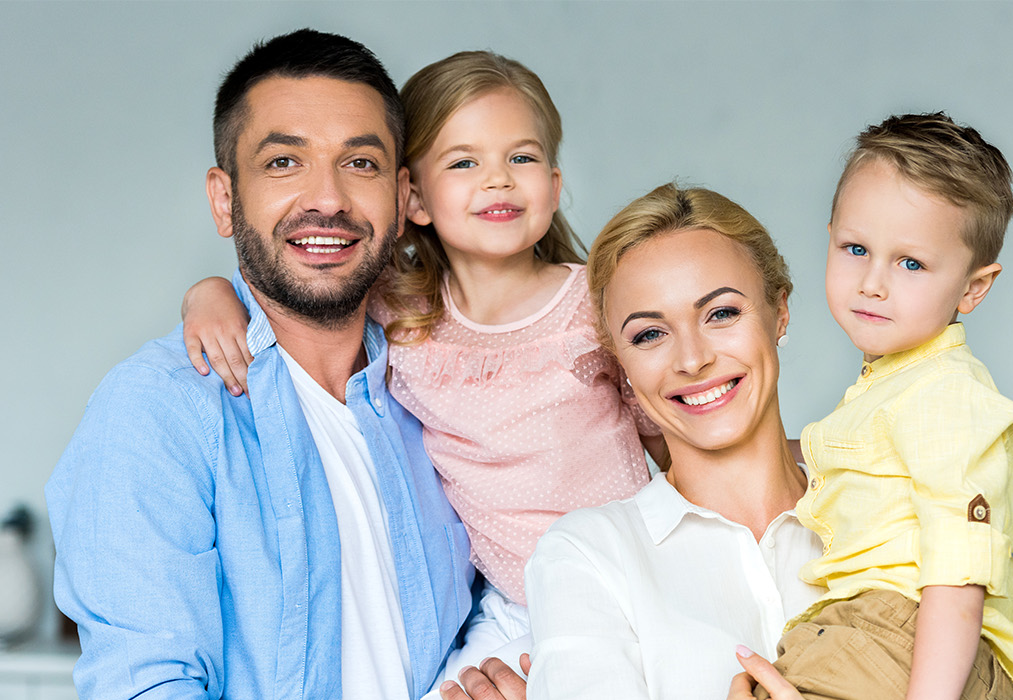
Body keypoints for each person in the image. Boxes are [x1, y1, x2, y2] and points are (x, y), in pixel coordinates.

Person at [178, 51, 666, 691]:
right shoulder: (401, 312)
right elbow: (299, 284)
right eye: (465, 163)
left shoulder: (597, 304)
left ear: (553, 182)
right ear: (413, 198)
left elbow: (672, 439)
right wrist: (210, 292)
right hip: (513, 608)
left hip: (630, 585)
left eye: (520, 159)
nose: (497, 181)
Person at [45, 29, 476, 700]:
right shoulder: (158, 409)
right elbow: (147, 686)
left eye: (359, 164)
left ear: (400, 199)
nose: (327, 198)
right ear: (225, 199)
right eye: (283, 163)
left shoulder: (441, 396)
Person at [755, 113, 1013, 700]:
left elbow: (957, 575)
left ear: (973, 288)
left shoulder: (947, 394)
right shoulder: (893, 389)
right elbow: (828, 460)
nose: (872, 281)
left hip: (908, 632)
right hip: (863, 631)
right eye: (855, 248)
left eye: (911, 263)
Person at [513, 183, 826, 700]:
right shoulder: (588, 556)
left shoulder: (884, 508)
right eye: (649, 335)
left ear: (781, 312)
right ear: (621, 363)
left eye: (722, 313)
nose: (692, 359)